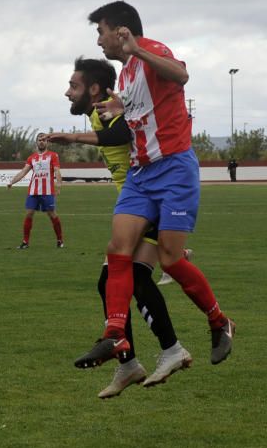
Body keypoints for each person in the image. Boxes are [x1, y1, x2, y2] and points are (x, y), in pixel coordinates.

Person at [73, 1, 235, 370]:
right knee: (117, 248)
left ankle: (219, 321)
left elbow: (180, 75)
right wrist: (118, 108)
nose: (99, 41)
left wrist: (139, 49)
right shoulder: (128, 73)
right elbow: (136, 111)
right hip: (141, 174)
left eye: (101, 31)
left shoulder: (152, 51)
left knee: (170, 258)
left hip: (174, 169)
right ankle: (115, 334)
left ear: (121, 31)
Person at [50, 57, 191, 395]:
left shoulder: (109, 110)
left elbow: (122, 132)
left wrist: (72, 138)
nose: (67, 92)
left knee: (121, 277)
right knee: (124, 279)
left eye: (74, 85)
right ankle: (140, 360)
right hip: (142, 202)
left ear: (94, 89)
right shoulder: (104, 111)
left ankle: (150, 356)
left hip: (153, 198)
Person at [7, 133, 64, 249]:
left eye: (43, 140)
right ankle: (25, 242)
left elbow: (57, 170)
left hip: (47, 191)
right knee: (29, 213)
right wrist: (12, 182)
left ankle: (60, 240)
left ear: (47, 142)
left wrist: (58, 185)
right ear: (36, 142)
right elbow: (23, 172)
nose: (41, 142)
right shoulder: (32, 158)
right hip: (33, 191)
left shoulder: (53, 155)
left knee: (52, 214)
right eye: (39, 140)